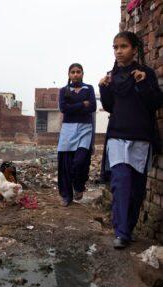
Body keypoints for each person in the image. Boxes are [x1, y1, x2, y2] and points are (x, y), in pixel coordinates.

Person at [99, 31, 162, 249]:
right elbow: (109, 107)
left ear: (134, 49)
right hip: (117, 137)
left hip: (141, 139)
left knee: (136, 188)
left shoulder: (146, 73)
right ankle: (121, 232)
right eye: (115, 47)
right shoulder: (112, 76)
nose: (118, 51)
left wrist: (144, 84)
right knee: (121, 184)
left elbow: (155, 103)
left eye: (123, 46)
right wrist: (103, 87)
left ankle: (129, 229)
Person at [57, 63, 96, 207]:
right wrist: (82, 105)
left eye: (78, 72)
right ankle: (67, 196)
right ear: (69, 75)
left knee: (80, 161)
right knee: (66, 165)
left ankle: (79, 186)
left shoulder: (89, 88)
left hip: (85, 129)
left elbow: (92, 106)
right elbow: (63, 108)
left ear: (82, 73)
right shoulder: (64, 90)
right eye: (72, 72)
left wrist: (74, 107)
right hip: (68, 129)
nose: (75, 74)